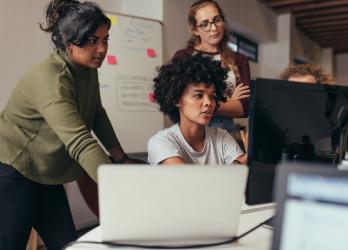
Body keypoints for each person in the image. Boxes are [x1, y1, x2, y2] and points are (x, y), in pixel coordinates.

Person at [0, 1, 141, 249]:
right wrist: (120, 188)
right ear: (68, 43)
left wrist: (120, 157)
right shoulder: (52, 79)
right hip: (14, 169)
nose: (102, 49)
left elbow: (96, 113)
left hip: (47, 173)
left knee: (66, 244)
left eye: (105, 39)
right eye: (92, 41)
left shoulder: (87, 68)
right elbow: (80, 142)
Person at [148, 53, 247, 165]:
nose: (208, 103)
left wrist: (244, 163)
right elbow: (188, 179)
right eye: (198, 95)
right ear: (176, 100)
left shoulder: (222, 136)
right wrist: (237, 166)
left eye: (212, 96)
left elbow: (239, 176)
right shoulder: (161, 141)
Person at [173, 0, 251, 133]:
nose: (214, 28)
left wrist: (199, 102)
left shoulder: (239, 60)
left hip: (225, 131)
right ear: (195, 30)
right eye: (205, 24)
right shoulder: (183, 56)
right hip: (190, 132)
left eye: (217, 20)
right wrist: (228, 102)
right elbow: (176, 100)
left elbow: (243, 109)